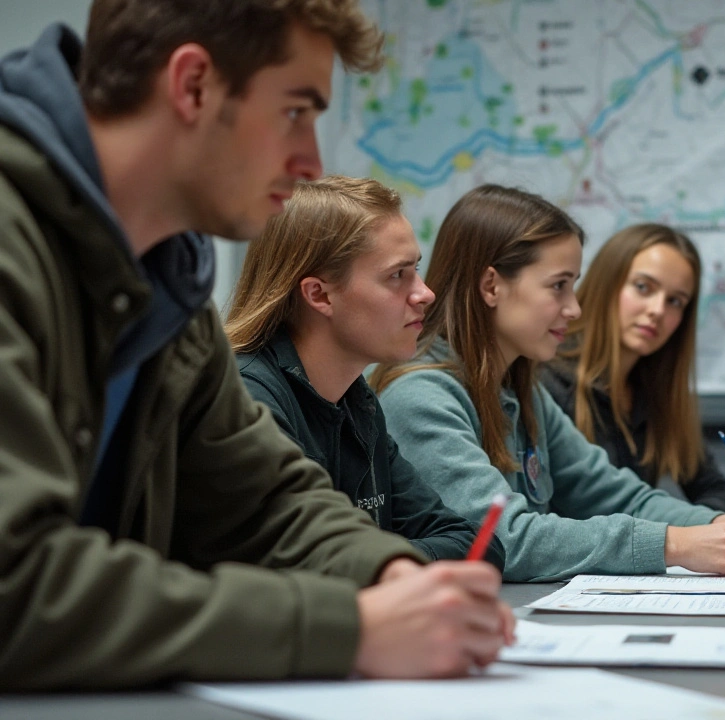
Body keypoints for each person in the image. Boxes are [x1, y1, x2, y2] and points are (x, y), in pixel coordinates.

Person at [0, 0, 508, 690]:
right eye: (297, 111)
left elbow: (266, 501)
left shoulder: (167, 285)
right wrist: (349, 628)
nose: (311, 162)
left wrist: (397, 580)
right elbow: (16, 582)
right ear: (193, 86)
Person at [371, 184, 725, 582]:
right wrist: (673, 543)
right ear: (491, 286)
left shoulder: (522, 391)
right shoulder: (420, 394)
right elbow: (502, 538)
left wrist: (723, 526)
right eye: (558, 287)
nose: (574, 309)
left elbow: (615, 494)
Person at [225, 175, 506, 569]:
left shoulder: (356, 401)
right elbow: (296, 568)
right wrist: (393, 564)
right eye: (397, 275)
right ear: (319, 295)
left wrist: (388, 565)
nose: (425, 293)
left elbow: (473, 542)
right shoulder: (247, 402)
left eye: (417, 270)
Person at [540, 223, 725, 513]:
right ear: (606, 283)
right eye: (643, 287)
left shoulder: (656, 392)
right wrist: (695, 528)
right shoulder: (545, 380)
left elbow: (712, 490)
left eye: (675, 301)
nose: (658, 310)